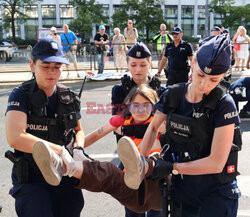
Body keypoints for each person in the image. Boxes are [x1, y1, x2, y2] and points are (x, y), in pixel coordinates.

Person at [125, 33, 241, 217]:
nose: (204, 85)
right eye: (200, 75)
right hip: (184, 189)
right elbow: (153, 127)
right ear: (193, 63)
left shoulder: (224, 104)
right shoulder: (174, 95)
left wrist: (172, 167)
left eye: (214, 80)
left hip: (216, 193)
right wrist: (139, 165)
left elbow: (216, 163)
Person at [5, 38, 85, 217]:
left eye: (57, 67)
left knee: (73, 207)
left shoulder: (68, 96)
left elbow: (78, 130)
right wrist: (60, 151)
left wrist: (79, 149)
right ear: (32, 65)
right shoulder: (21, 95)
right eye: (45, 66)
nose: (52, 72)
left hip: (64, 175)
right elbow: (15, 137)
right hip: (32, 179)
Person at [111, 43, 166, 217]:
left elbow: (165, 129)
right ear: (127, 64)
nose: (138, 70)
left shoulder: (161, 90)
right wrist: (151, 127)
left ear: (150, 64)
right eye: (133, 64)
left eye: (143, 65)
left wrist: (132, 129)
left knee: (157, 210)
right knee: (133, 209)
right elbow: (118, 127)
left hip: (156, 158)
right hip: (130, 157)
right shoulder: (119, 91)